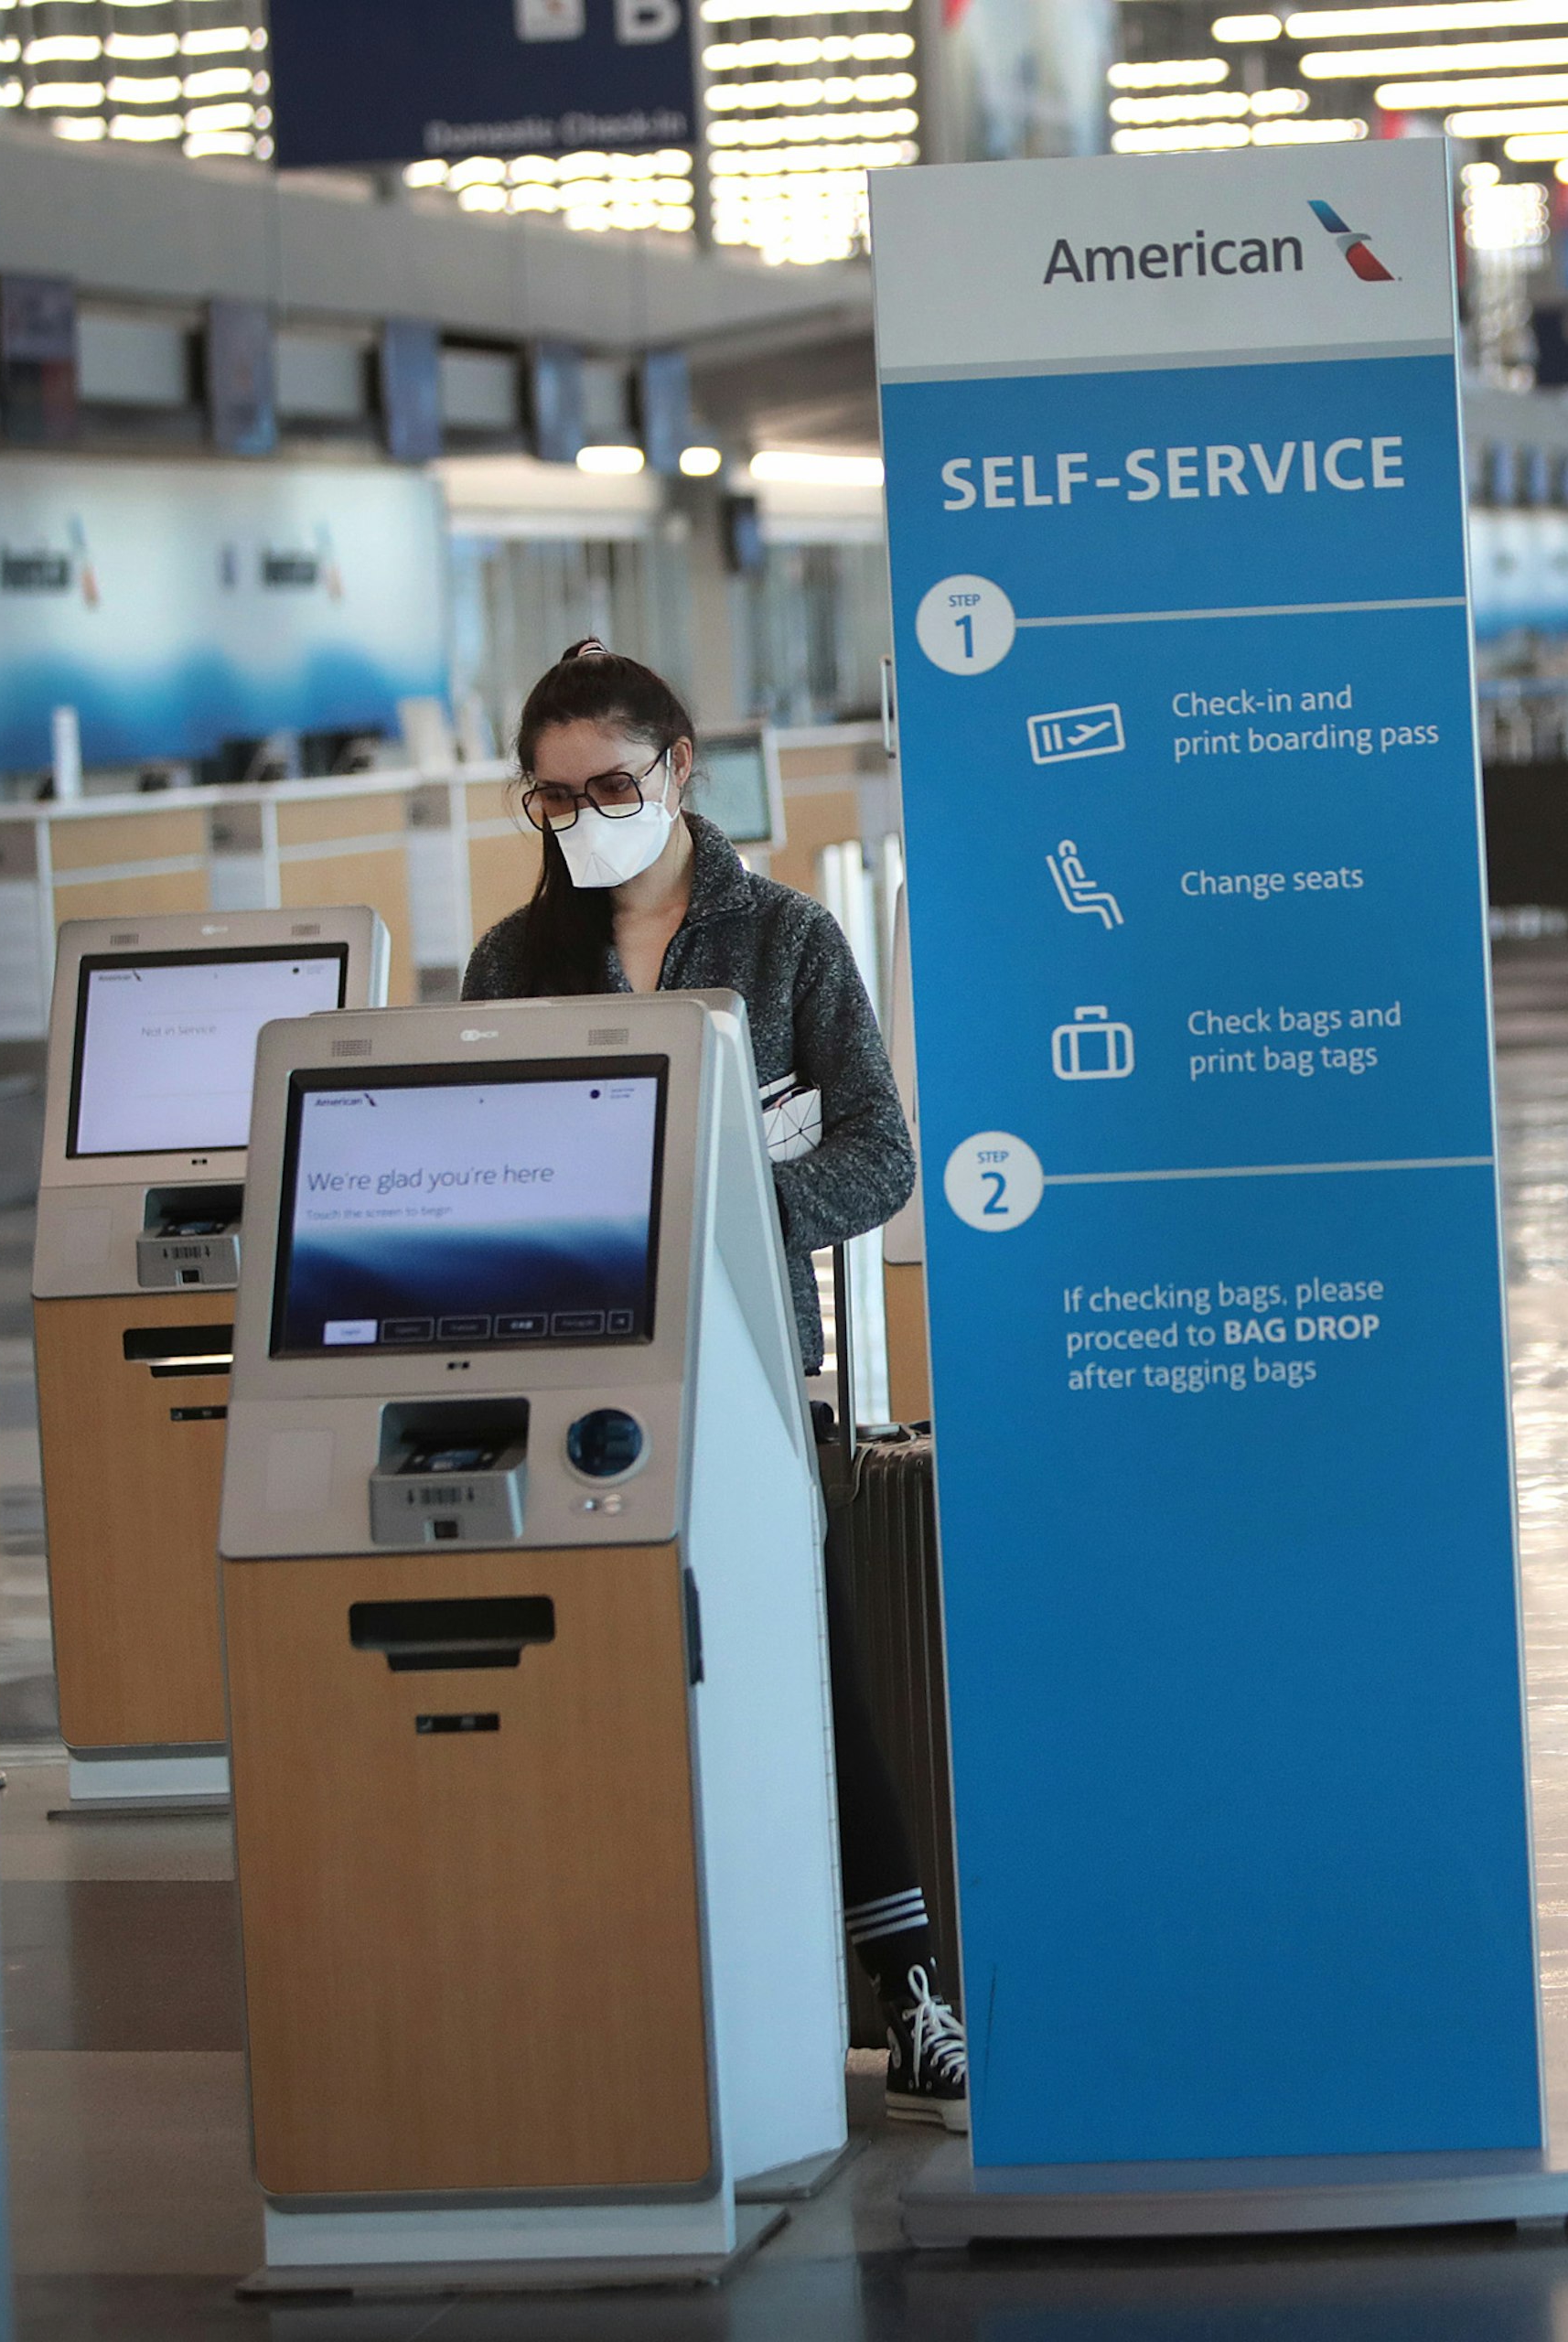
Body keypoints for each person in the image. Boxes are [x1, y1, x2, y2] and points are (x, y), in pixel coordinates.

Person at [463, 639, 967, 2132]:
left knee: (811, 1674)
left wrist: (728, 1203)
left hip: (751, 1374)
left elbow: (880, 1152)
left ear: (679, 770)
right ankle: (616, 1984)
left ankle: (912, 1997)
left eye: (609, 784)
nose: (583, 818)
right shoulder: (513, 964)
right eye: (552, 800)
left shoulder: (790, 941)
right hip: (573, 1379)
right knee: (603, 1681)